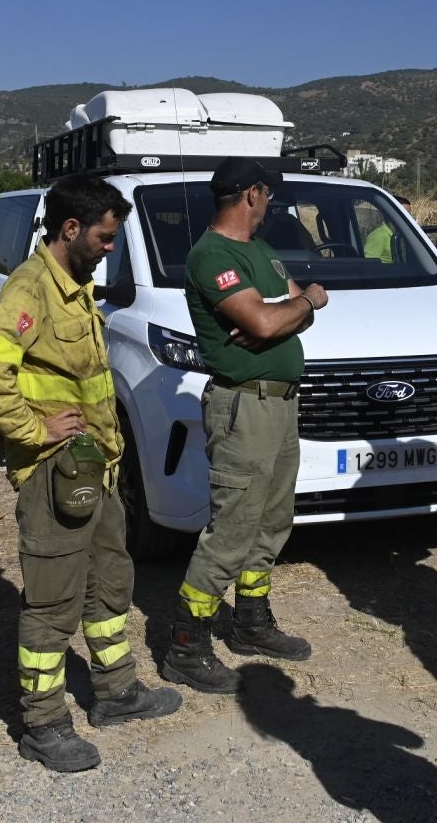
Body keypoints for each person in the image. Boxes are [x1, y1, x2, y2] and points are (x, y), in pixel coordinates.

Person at [0, 173, 181, 772]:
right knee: (53, 603)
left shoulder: (75, 287)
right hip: (54, 474)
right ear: (71, 229)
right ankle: (44, 724)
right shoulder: (31, 289)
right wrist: (35, 431)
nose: (110, 248)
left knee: (110, 583)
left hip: (96, 470)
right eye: (106, 238)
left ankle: (116, 693)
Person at [161, 158, 328, 693]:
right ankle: (187, 644)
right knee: (231, 530)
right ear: (252, 193)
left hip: (279, 405)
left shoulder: (260, 252)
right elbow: (269, 317)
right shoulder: (213, 254)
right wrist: (296, 306)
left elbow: (293, 311)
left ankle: (251, 620)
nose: (271, 204)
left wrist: (292, 309)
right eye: (269, 195)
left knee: (272, 521)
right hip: (243, 408)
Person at [362, 195, 411, 263]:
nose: (409, 219)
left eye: (409, 215)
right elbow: (368, 265)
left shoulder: (406, 235)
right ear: (392, 214)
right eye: (405, 214)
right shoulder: (378, 236)